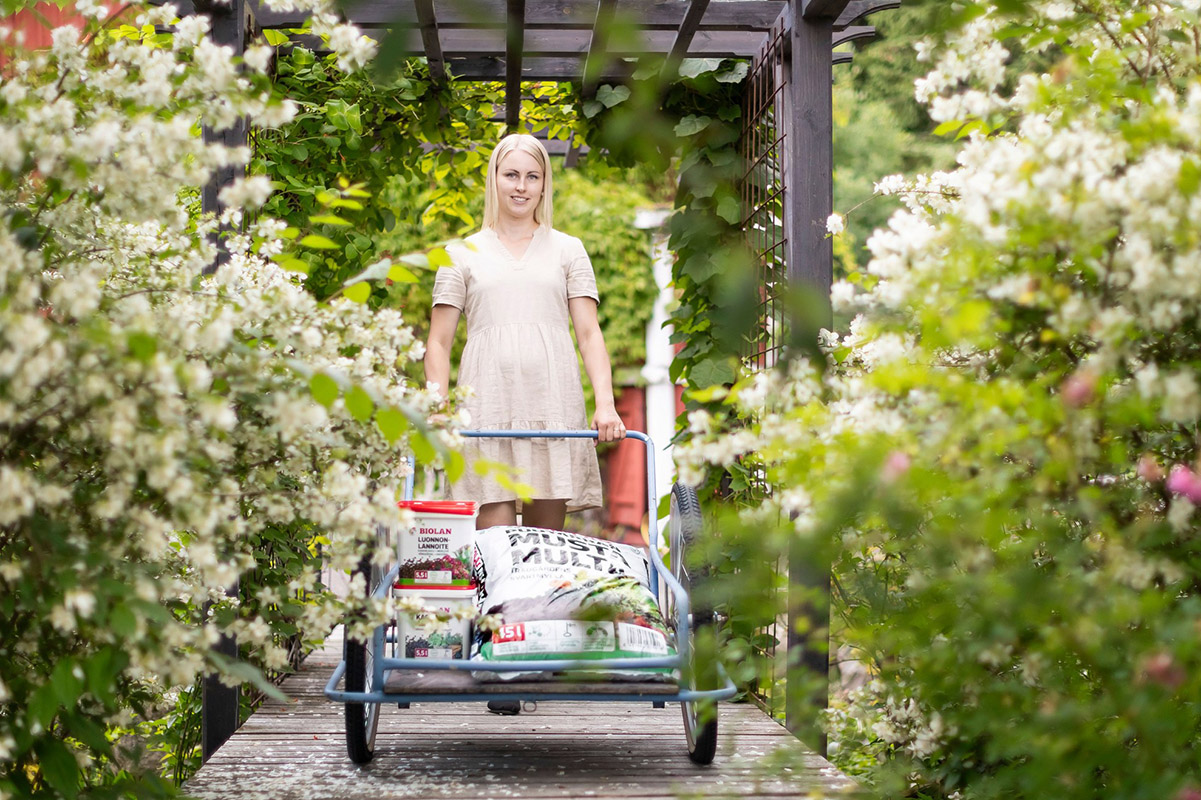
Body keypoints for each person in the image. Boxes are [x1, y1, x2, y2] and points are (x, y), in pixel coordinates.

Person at [424, 133, 625, 534]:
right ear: (494, 179)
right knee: (494, 552)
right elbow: (438, 342)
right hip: (486, 413)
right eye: (511, 174)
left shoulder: (568, 249)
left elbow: (588, 334)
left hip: (551, 410)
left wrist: (606, 404)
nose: (521, 186)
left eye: (533, 177)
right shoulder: (460, 252)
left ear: (544, 184)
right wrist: (439, 407)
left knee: (542, 552)